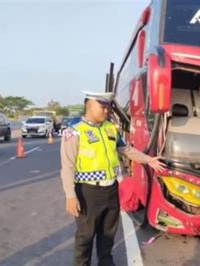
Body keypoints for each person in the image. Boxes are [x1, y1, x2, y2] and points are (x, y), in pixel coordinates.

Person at [60, 91, 165, 266]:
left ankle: (106, 262)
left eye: (107, 107)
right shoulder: (74, 132)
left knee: (108, 233)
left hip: (111, 190)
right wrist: (70, 196)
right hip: (87, 192)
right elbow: (67, 167)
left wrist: (149, 160)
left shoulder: (110, 128)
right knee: (85, 235)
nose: (106, 111)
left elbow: (126, 150)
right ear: (89, 105)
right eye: (102, 107)